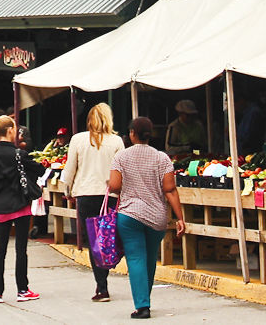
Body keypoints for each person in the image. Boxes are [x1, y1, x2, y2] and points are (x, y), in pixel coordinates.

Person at [109, 116, 186, 319]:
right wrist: (180, 218)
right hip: (156, 217)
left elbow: (115, 186)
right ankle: (145, 299)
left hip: (129, 215)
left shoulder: (121, 157)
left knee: (136, 258)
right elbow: (170, 190)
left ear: (132, 134)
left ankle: (142, 305)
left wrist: (110, 181)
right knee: (150, 259)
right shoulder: (162, 158)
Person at [62, 102, 125, 302]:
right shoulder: (116, 142)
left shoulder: (78, 140)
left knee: (93, 242)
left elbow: (70, 169)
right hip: (110, 196)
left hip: (85, 195)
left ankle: (101, 286)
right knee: (109, 237)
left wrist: (67, 191)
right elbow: (121, 171)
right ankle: (106, 275)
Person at [0, 115, 45, 304]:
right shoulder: (19, 154)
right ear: (10, 131)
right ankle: (22, 289)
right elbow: (40, 170)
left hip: (0, 206)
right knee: (21, 249)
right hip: (20, 204)